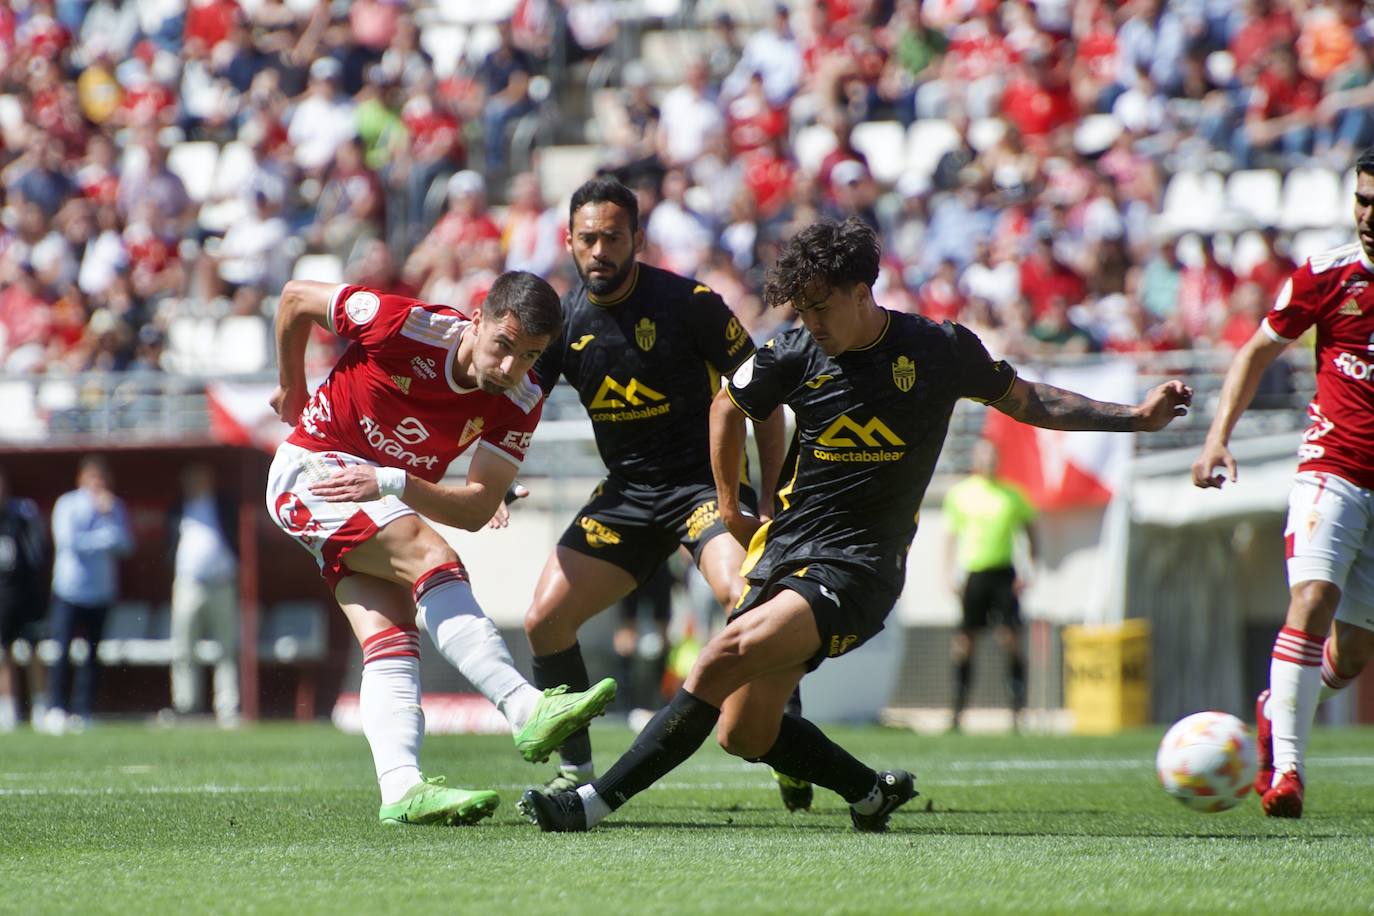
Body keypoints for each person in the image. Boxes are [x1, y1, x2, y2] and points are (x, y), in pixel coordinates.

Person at [520, 217, 1192, 832]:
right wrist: (730, 503)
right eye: (801, 308)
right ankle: (872, 793)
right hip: (786, 554)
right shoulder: (793, 351)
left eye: (821, 305)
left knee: (723, 653)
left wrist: (1134, 416)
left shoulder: (940, 348)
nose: (811, 320)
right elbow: (728, 407)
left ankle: (591, 802)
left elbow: (1029, 398)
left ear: (863, 289)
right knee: (744, 735)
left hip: (860, 565)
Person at [267, 270, 616, 827]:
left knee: (392, 634)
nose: (510, 367)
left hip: (373, 490)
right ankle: (524, 706)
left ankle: (401, 788)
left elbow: (478, 508)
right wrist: (292, 386)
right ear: (476, 321)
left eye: (529, 356)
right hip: (313, 468)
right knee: (432, 556)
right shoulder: (404, 325)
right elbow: (294, 299)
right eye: (503, 345)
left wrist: (394, 482)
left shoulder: (522, 398)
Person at [521, 177, 787, 802]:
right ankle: (576, 770)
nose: (599, 251)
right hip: (628, 494)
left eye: (613, 237)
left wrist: (768, 493)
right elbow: (515, 405)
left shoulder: (690, 303)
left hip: (702, 488)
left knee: (748, 597)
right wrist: (495, 480)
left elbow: (766, 397)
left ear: (638, 240)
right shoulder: (561, 323)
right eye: (587, 238)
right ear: (568, 240)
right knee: (542, 620)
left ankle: (783, 735)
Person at [1190, 146, 1374, 819]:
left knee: (1353, 654)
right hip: (1333, 468)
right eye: (1362, 199)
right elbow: (1256, 351)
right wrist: (1217, 437)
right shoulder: (1328, 274)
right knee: (1315, 594)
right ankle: (1287, 772)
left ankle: (1276, 704)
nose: (1369, 215)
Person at [943, 438, 1037, 732]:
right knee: (965, 641)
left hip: (1003, 574)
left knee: (1010, 638)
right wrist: (948, 573)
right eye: (985, 456)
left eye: (994, 456)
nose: (990, 461)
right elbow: (950, 537)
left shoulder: (1012, 494)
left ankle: (1018, 709)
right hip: (974, 573)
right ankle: (958, 710)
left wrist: (1030, 567)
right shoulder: (961, 495)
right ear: (976, 459)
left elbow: (1031, 530)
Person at [44, 456, 133, 735]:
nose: (98, 485)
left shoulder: (114, 506)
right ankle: (55, 708)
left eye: (102, 479)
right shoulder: (67, 504)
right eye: (93, 478)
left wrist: (107, 518)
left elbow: (126, 544)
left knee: (93, 655)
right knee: (61, 652)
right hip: (69, 589)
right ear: (81, 479)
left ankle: (84, 710)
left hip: (101, 592)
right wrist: (105, 537)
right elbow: (70, 543)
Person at [167, 463, 240, 728]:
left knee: (226, 648)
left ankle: (227, 707)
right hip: (188, 585)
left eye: (197, 478)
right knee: (183, 648)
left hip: (221, 584)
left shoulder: (224, 504)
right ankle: (185, 705)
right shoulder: (178, 507)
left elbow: (238, 537)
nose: (192, 484)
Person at [0, 468, 48, 732]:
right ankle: (8, 710)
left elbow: (37, 551)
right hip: (2, 598)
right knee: (2, 654)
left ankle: (41, 707)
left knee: (34, 652)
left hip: (27, 595)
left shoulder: (22, 514)